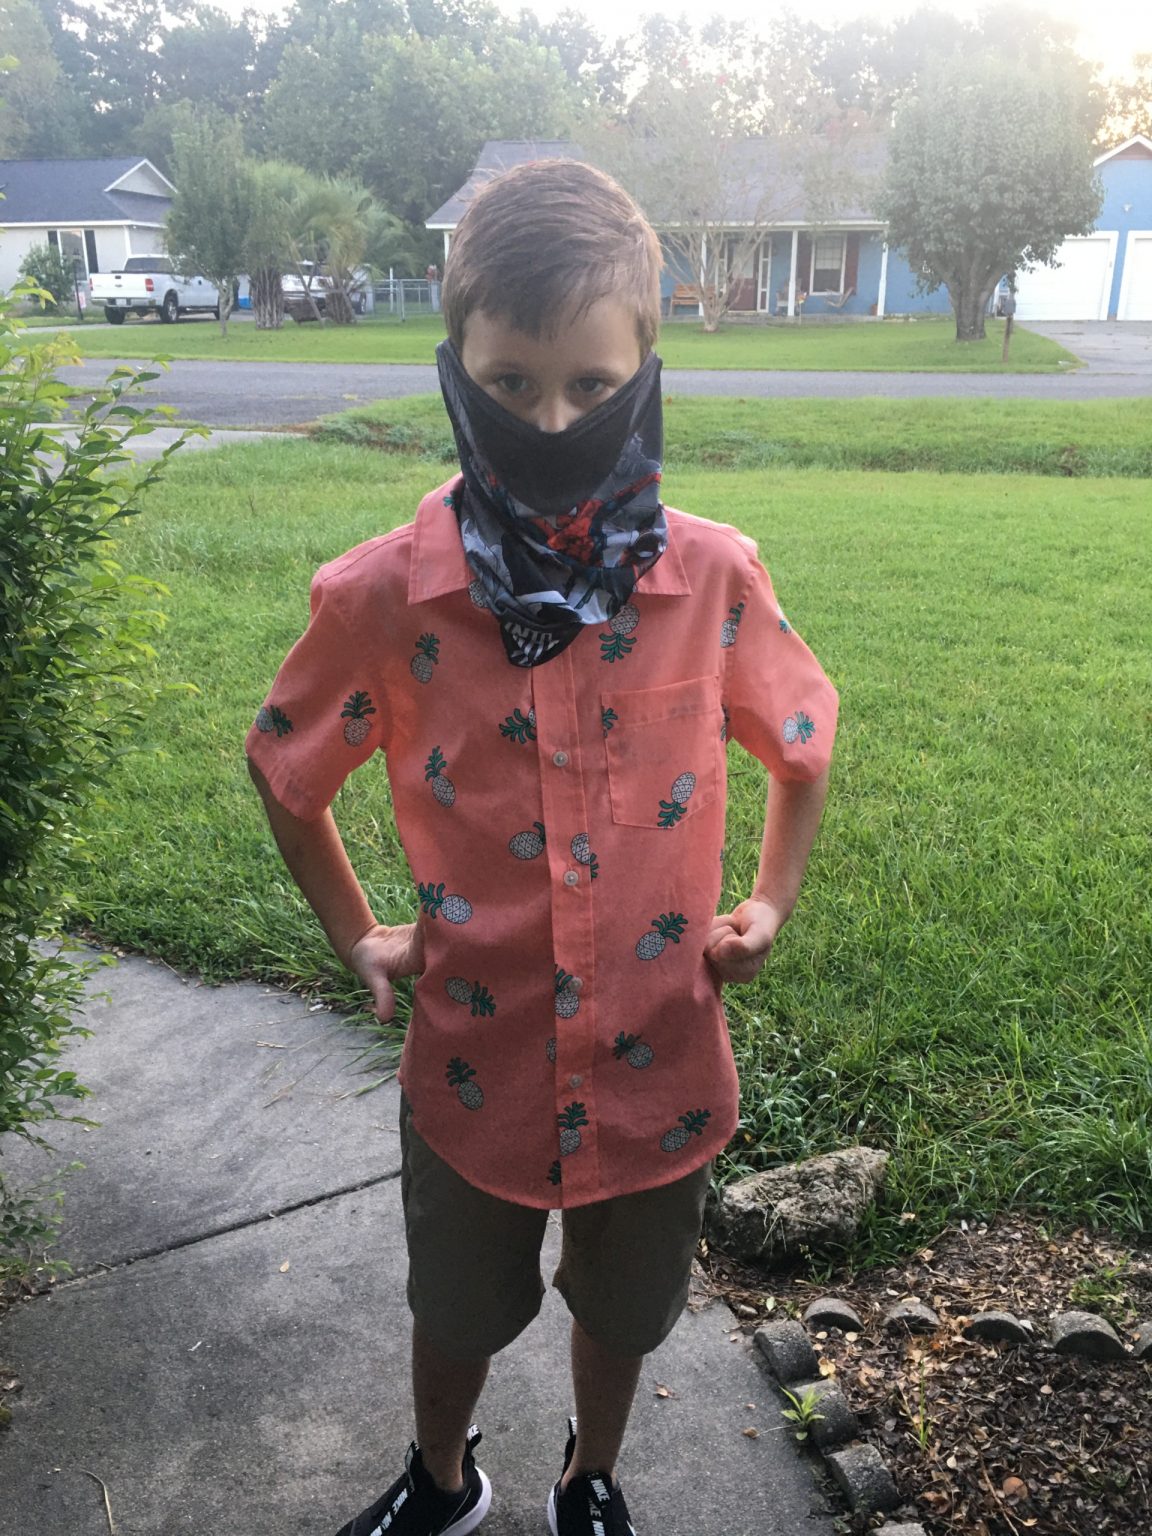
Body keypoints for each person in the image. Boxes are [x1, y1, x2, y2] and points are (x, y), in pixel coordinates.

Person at [245, 158, 839, 1536]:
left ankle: (592, 1477)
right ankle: (442, 1479)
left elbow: (801, 743)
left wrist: (770, 900)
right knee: (455, 1306)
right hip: (478, 1063)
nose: (551, 419)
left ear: (643, 372)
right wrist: (355, 932)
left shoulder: (711, 578)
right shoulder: (387, 598)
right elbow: (286, 766)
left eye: (590, 383)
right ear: (456, 366)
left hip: (657, 1061)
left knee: (623, 1313)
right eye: (509, 382)